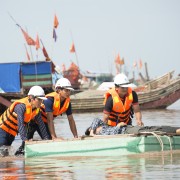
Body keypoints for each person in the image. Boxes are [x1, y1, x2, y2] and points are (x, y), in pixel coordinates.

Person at [0, 86, 49, 156]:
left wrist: (46, 139)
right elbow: (20, 124)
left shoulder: (36, 109)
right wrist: (25, 140)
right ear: (31, 98)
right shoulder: (21, 106)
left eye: (42, 100)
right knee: (2, 154)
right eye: (39, 100)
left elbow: (41, 124)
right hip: (2, 131)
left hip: (12, 134)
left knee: (6, 156)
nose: (41, 102)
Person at [85, 118, 180, 136]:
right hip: (125, 131)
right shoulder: (100, 133)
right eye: (90, 128)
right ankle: (176, 130)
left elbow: (96, 119)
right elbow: (113, 133)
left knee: (151, 127)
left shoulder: (101, 126)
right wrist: (118, 126)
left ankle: (176, 129)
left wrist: (92, 131)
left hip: (127, 128)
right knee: (151, 129)